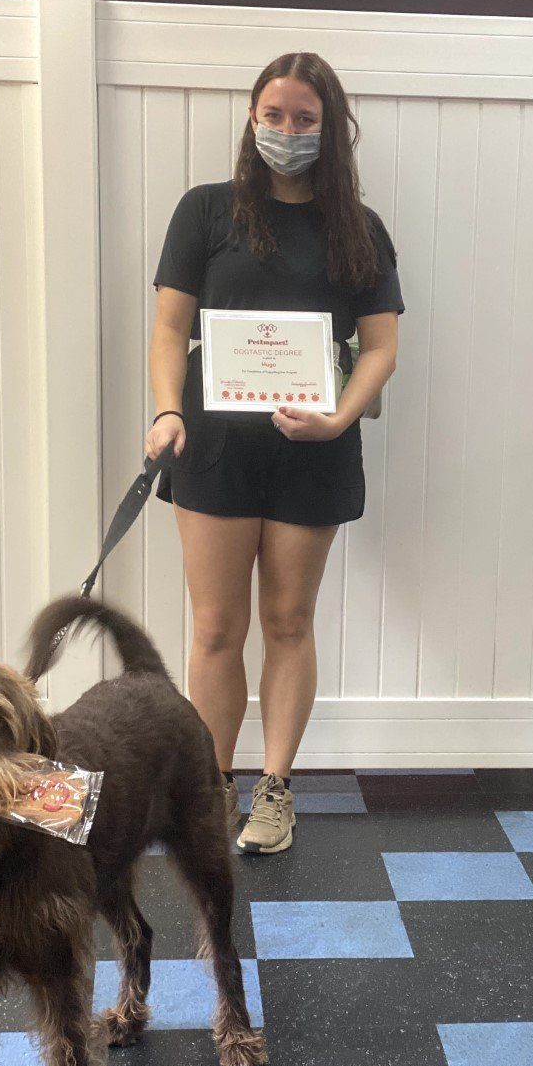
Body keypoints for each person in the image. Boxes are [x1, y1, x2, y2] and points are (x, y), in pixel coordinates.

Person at [145, 51, 404, 855]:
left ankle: (276, 790)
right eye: (273, 114)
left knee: (289, 621)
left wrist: (338, 420)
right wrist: (164, 410)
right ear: (251, 117)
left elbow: (381, 349)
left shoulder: (359, 228)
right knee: (216, 628)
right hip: (213, 446)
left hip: (314, 453)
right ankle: (212, 789)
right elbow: (167, 328)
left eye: (304, 119)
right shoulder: (206, 211)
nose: (286, 131)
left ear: (331, 131)